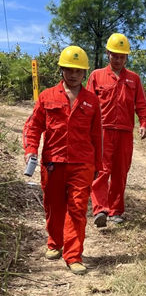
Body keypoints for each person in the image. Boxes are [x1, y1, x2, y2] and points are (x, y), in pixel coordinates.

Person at [22, 46, 102, 275]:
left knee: (77, 208)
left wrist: (99, 166)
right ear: (61, 70)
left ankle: (74, 255)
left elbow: (97, 136)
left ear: (84, 73)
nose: (73, 74)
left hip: (82, 163)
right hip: (53, 162)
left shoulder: (91, 101)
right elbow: (33, 127)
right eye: (69, 69)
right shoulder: (47, 96)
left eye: (78, 71)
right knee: (54, 207)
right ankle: (55, 242)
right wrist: (30, 150)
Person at [87, 33, 146, 226]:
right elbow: (87, 103)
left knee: (120, 171)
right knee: (101, 170)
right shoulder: (96, 76)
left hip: (124, 132)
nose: (118, 60)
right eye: (115, 55)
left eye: (122, 56)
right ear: (108, 53)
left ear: (126, 58)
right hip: (103, 131)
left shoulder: (134, 79)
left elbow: (141, 104)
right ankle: (100, 209)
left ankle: (115, 211)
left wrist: (143, 123)